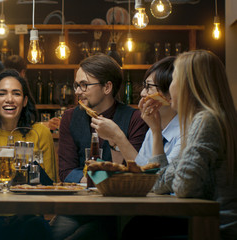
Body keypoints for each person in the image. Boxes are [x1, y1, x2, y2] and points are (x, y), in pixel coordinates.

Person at [123, 50, 237, 239]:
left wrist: (175, 175)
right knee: (137, 226)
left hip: (214, 228)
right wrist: (157, 131)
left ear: (190, 85)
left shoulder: (206, 121)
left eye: (174, 80)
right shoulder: (206, 120)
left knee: (136, 230)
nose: (170, 89)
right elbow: (159, 183)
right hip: (208, 222)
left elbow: (184, 187)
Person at [0, 69, 54, 240]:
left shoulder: (40, 132)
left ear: (25, 100)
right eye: (2, 93)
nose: (9, 99)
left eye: (16, 93)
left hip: (30, 217)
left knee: (35, 226)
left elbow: (50, 185)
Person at [58, 53, 148, 183]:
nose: (77, 92)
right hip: (80, 200)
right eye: (77, 85)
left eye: (84, 85)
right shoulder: (69, 117)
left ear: (107, 87)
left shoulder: (135, 119)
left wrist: (117, 137)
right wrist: (104, 180)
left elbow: (135, 171)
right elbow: (66, 173)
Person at [91, 56, 180, 166]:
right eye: (144, 86)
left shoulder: (186, 134)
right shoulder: (153, 129)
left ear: (172, 94)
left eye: (149, 87)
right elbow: (142, 170)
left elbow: (159, 179)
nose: (142, 93)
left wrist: (118, 136)